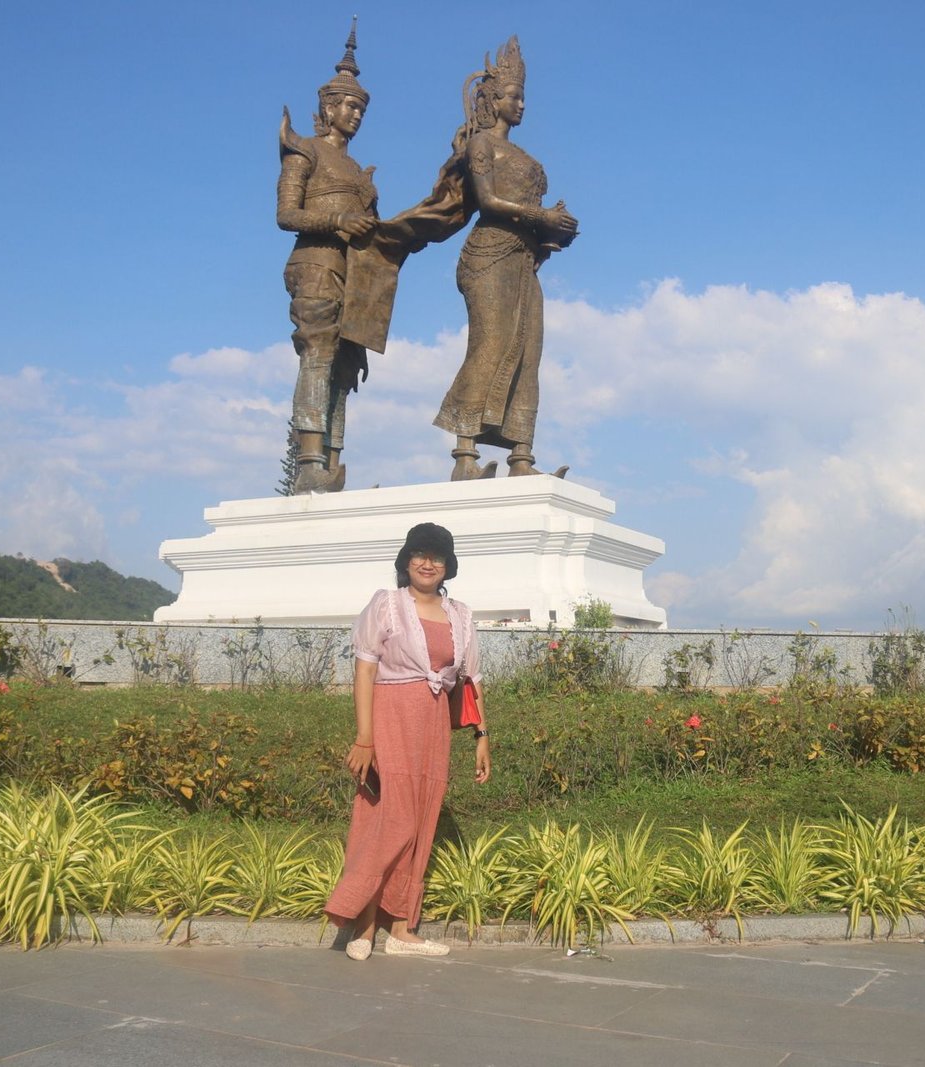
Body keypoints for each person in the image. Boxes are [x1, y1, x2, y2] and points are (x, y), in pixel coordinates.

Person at [324, 522, 490, 958]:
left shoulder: (460, 615)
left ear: (448, 565)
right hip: (390, 716)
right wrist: (365, 738)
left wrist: (481, 737)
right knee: (387, 818)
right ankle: (361, 923)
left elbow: (470, 680)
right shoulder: (386, 605)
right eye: (419, 553)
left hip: (433, 723)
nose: (427, 562)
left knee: (420, 818)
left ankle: (401, 928)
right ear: (406, 560)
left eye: (437, 556)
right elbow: (365, 669)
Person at [431, 36, 579, 481]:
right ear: (493, 100)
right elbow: (490, 201)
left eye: (523, 98)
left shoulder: (527, 157)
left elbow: (531, 217)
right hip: (488, 255)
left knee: (529, 351)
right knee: (490, 343)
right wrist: (539, 214)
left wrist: (552, 232)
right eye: (514, 97)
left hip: (523, 260)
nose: (521, 105)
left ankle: (521, 457)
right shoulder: (481, 146)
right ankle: (464, 455)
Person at [277, 21, 381, 494]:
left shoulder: (359, 171)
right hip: (315, 265)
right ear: (328, 106)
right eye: (348, 105)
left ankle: (334, 461)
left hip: (352, 276)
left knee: (344, 369)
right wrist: (338, 222)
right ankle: (309, 460)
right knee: (317, 357)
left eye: (360, 107)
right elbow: (286, 214)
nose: (355, 114)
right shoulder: (304, 150)